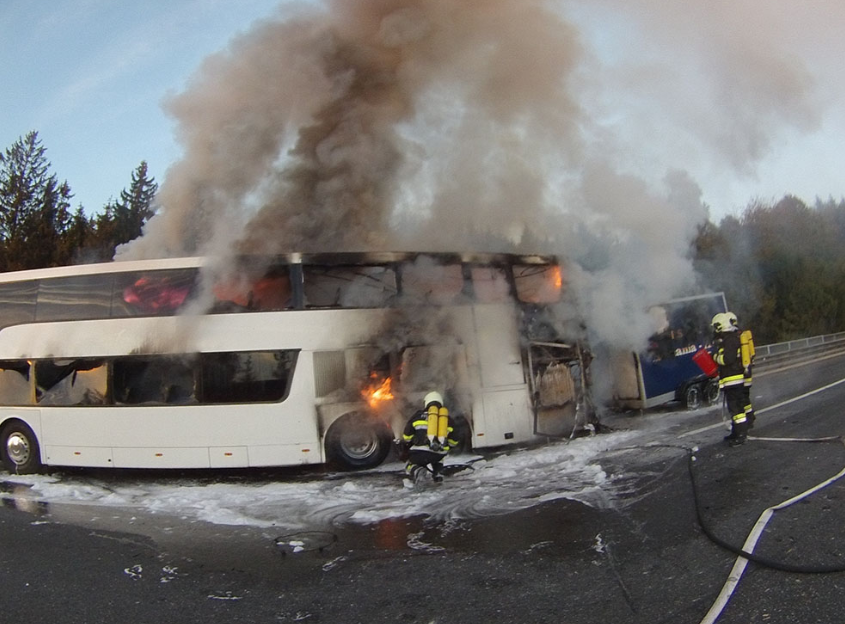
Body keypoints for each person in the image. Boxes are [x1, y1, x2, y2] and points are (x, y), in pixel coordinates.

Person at [401, 391, 459, 485]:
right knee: (438, 456)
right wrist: (446, 445)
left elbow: (407, 436)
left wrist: (413, 440)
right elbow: (454, 441)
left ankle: (417, 470)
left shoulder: (418, 416)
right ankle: (438, 473)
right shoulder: (448, 419)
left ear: (427, 402)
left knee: (410, 464)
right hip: (438, 454)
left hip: (419, 453)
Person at [711, 313, 748, 446]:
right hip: (730, 380)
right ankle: (736, 432)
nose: (715, 330)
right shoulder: (729, 339)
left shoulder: (731, 340)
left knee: (737, 409)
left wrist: (714, 357)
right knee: (733, 408)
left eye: (716, 327)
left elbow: (727, 359)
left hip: (734, 380)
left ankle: (741, 435)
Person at [726, 311, 756, 429]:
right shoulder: (742, 334)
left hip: (740, 373)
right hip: (746, 371)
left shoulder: (734, 338)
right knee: (744, 398)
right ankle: (749, 417)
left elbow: (731, 357)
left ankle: (744, 423)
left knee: (739, 400)